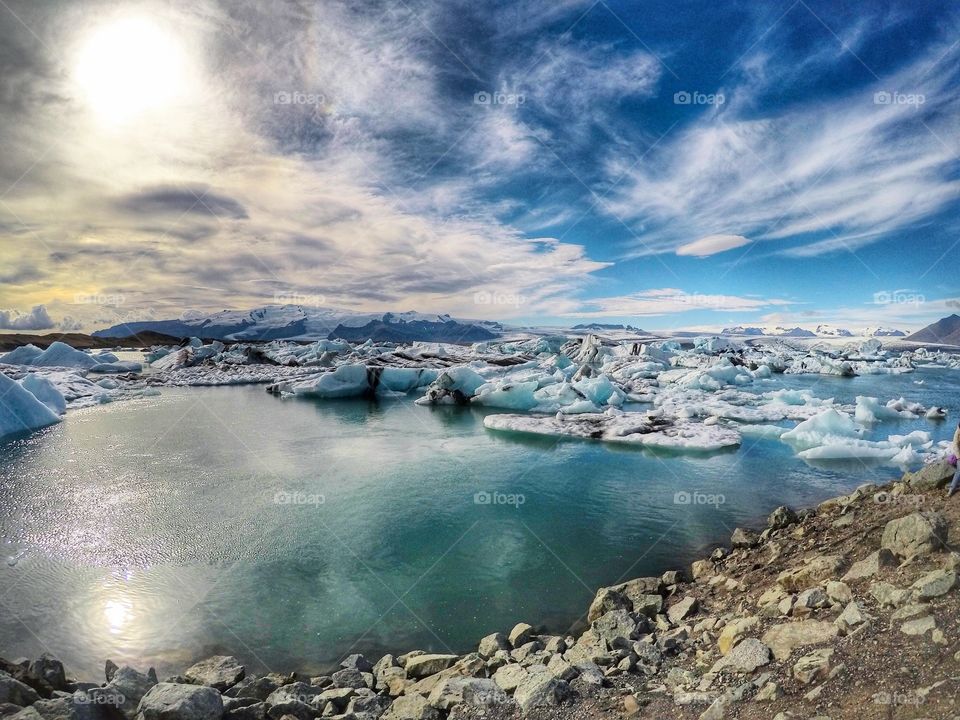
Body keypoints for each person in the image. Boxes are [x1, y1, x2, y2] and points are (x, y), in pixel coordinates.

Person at [950, 421, 960, 497]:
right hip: (958, 454)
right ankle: (951, 489)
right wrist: (959, 457)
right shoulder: (957, 433)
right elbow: (955, 445)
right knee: (959, 471)